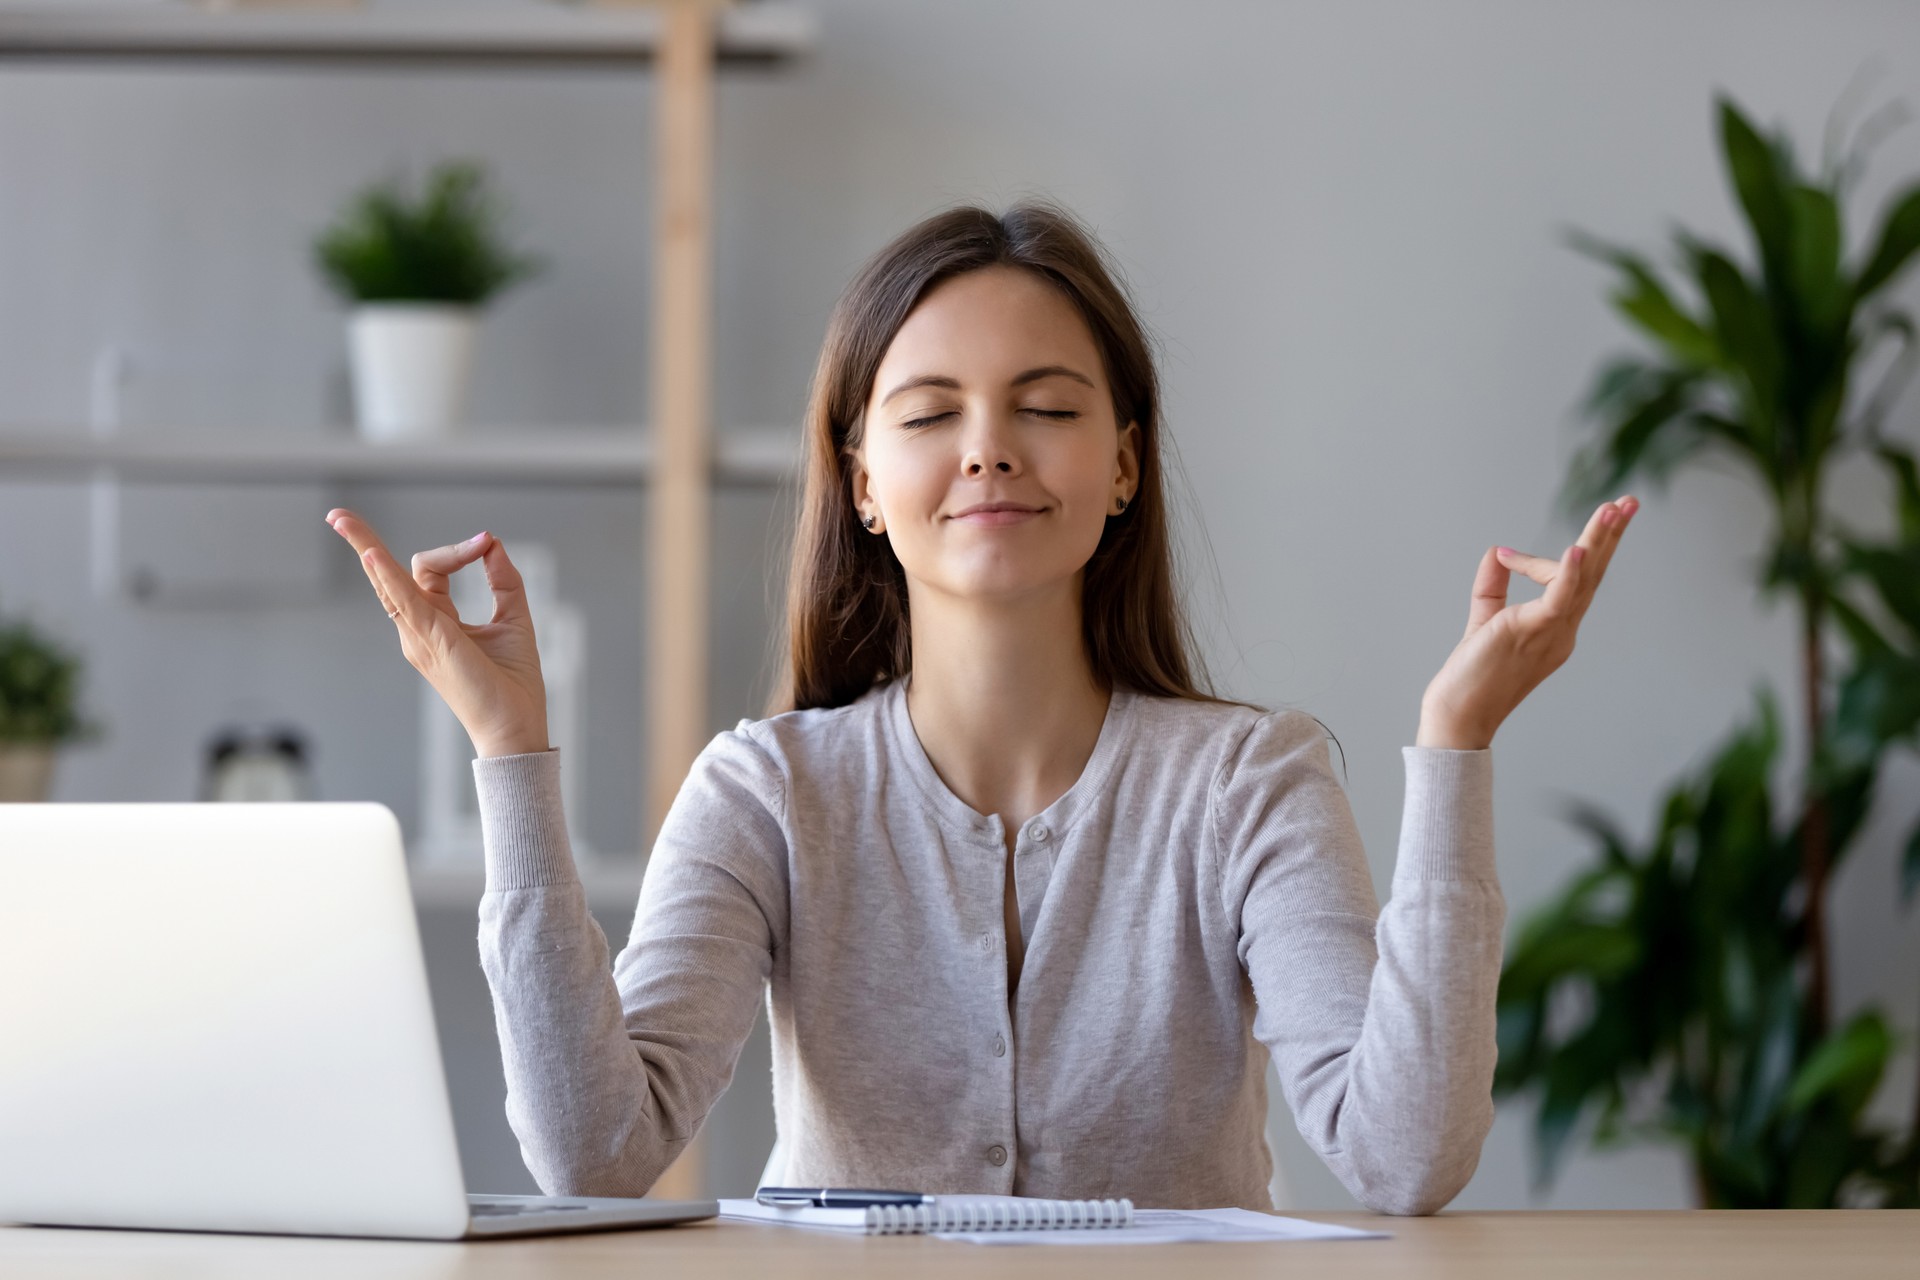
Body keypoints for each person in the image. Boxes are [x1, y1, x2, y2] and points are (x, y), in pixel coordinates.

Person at [324, 199, 1638, 1215]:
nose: (988, 448)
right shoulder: (769, 792)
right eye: (930, 413)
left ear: (1122, 465)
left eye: (1047, 407)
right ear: (861, 484)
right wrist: (511, 751)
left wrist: (1457, 744)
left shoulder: (1250, 780)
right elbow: (597, 1154)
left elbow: (1404, 1159)